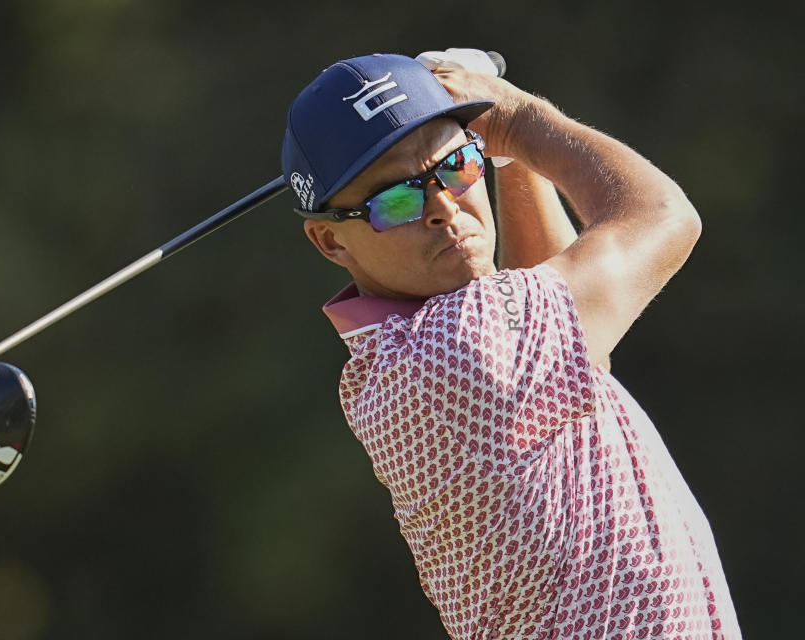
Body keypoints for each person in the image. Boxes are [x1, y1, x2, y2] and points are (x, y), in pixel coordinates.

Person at [281, 50, 741, 640]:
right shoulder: (453, 353)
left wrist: (511, 160)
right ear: (330, 241)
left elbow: (579, 358)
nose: (444, 208)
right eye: (395, 201)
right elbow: (665, 216)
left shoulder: (420, 352)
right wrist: (519, 121)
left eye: (456, 168)